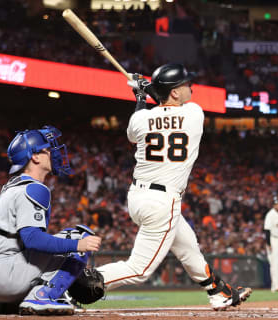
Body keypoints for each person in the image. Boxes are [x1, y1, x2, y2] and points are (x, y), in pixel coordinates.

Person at [96, 63, 252, 311]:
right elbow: (167, 113)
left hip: (138, 196)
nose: (190, 87)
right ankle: (73, 284)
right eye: (185, 84)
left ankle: (218, 292)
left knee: (188, 247)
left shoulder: (141, 117)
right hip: (162, 201)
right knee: (139, 269)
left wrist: (141, 97)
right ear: (175, 92)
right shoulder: (194, 114)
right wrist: (149, 93)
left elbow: (134, 132)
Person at [0, 126, 102, 315]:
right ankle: (42, 297)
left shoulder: (13, 185)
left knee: (59, 246)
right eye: (47, 149)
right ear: (35, 157)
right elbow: (33, 239)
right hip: (3, 274)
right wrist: (79, 244)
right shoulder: (35, 188)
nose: (54, 153)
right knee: (79, 234)